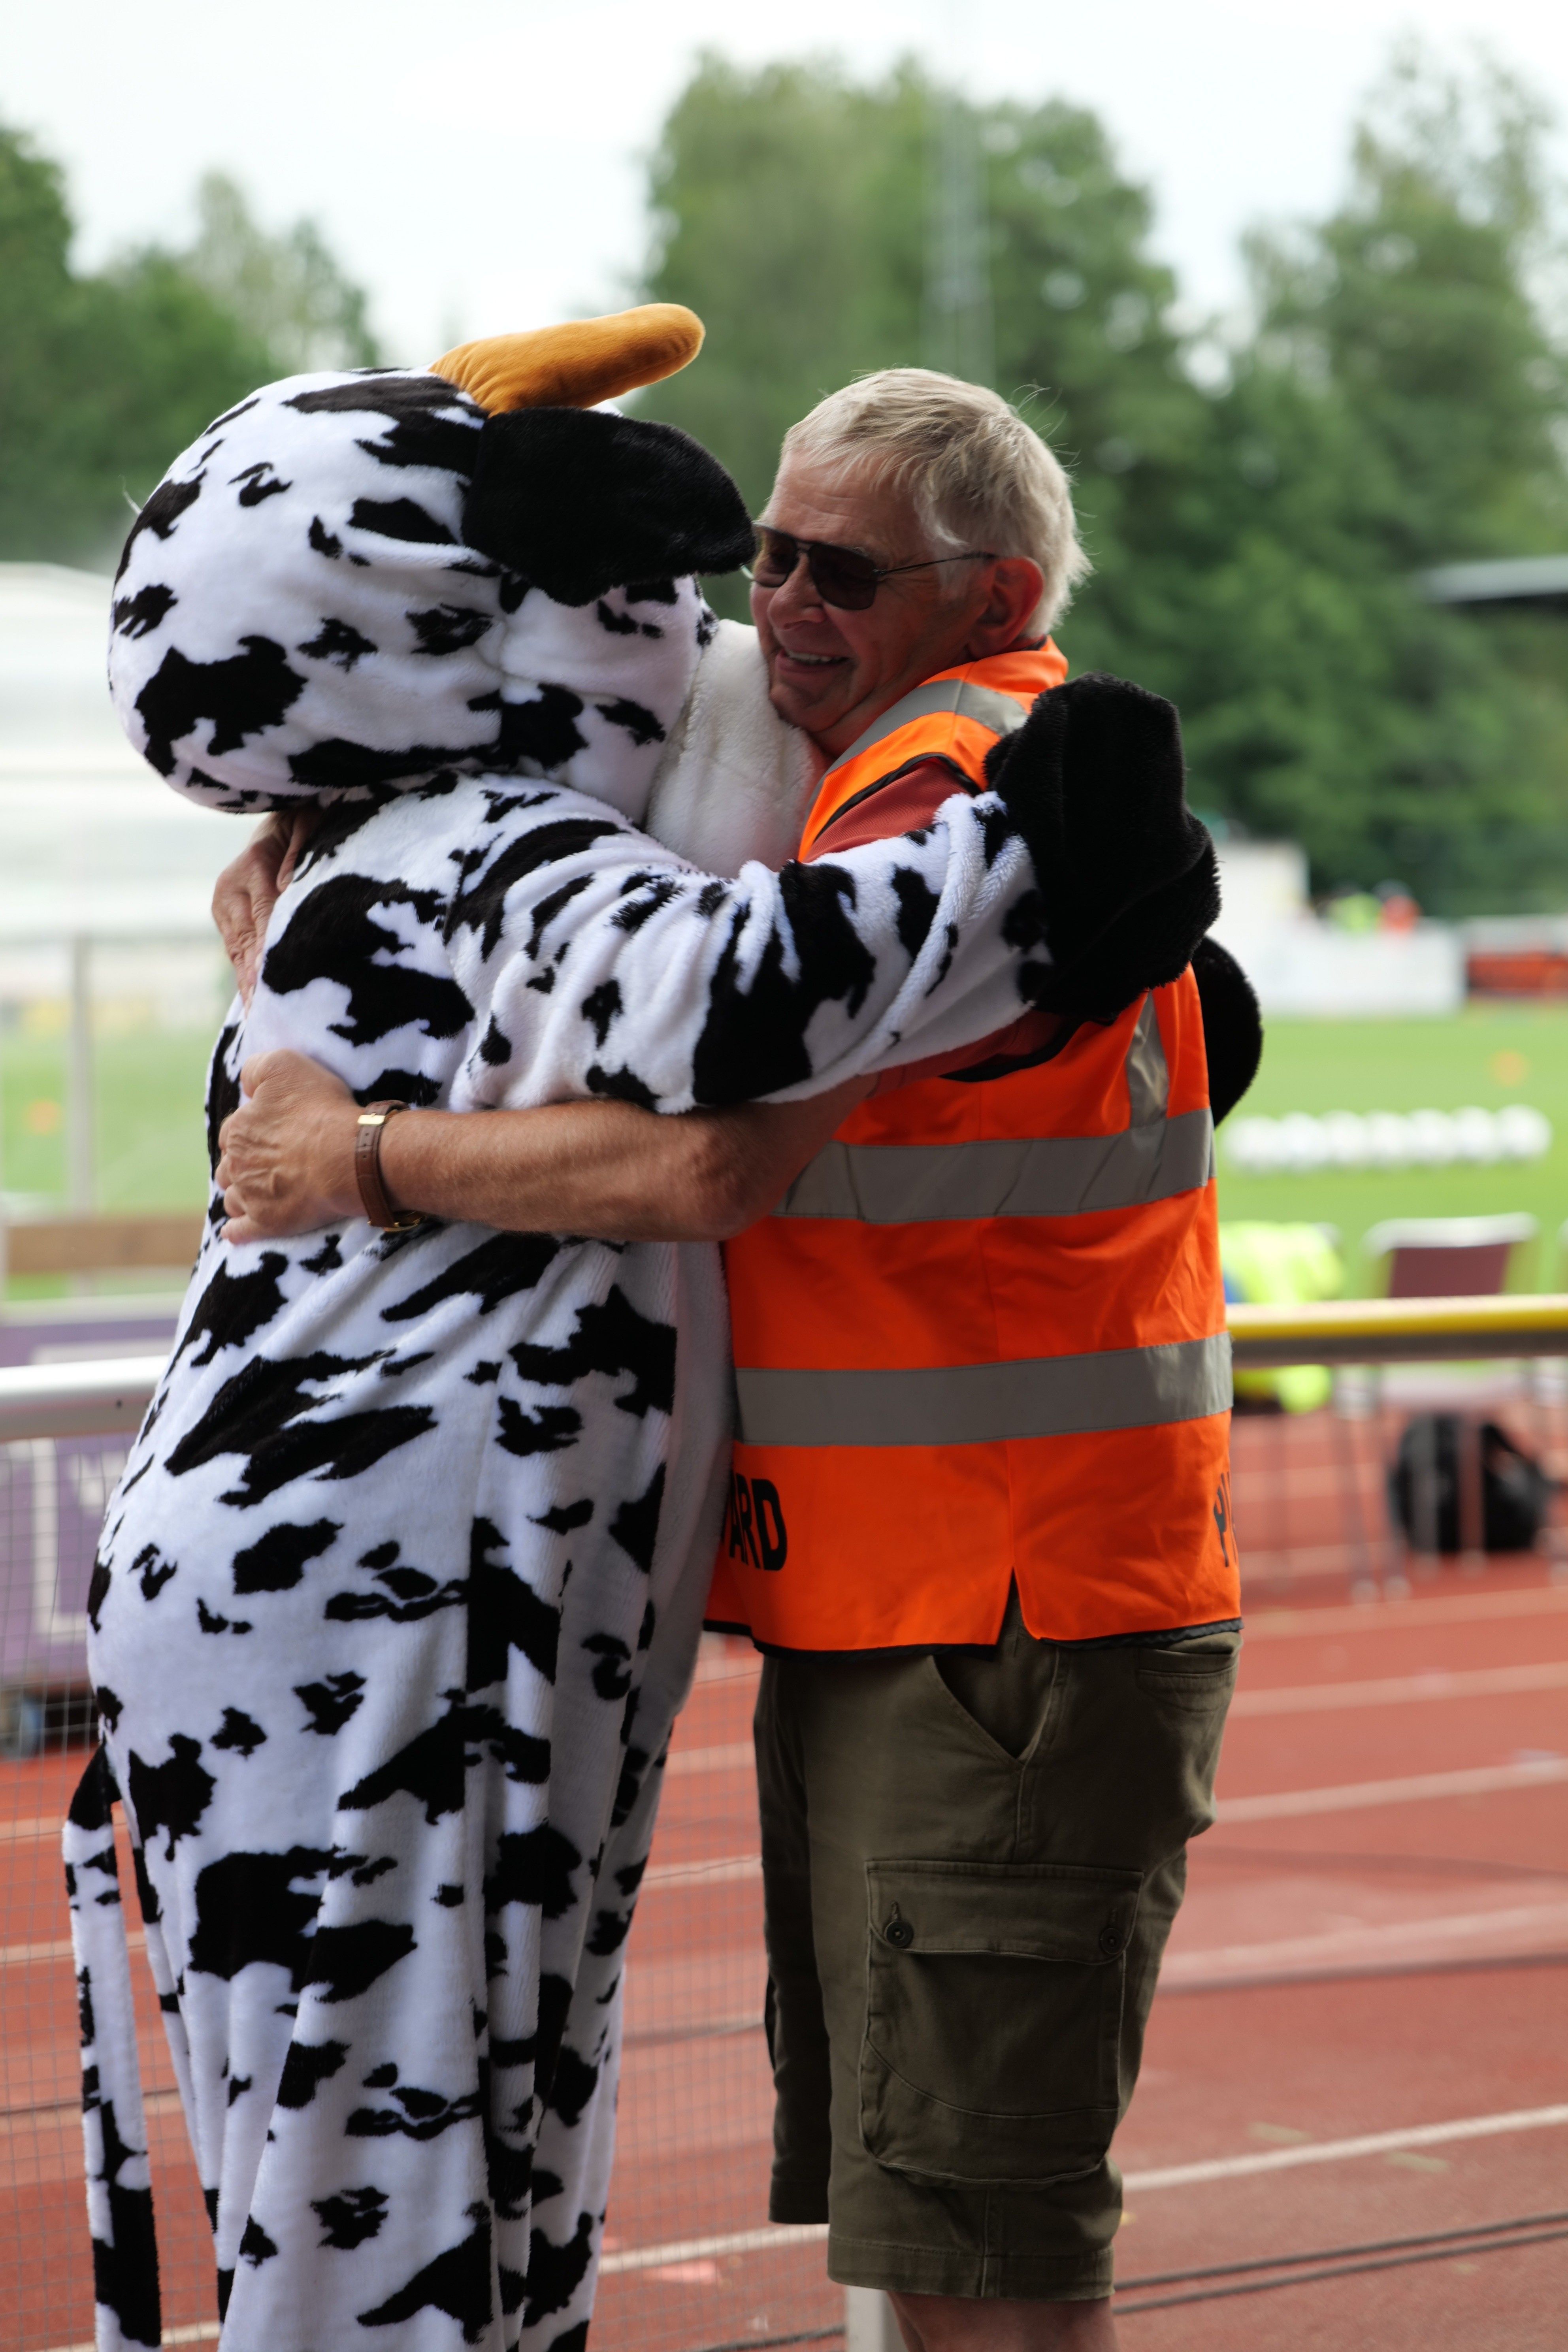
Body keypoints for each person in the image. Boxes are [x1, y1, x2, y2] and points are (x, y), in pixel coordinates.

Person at [73, 319, 1111, 2352]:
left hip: (342, 1578)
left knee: (441, 2149)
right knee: (403, 2186)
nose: (743, 612)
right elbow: (749, 1007)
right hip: (398, 1591)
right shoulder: (493, 843)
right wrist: (1040, 860)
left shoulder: (368, 839)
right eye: (738, 571)